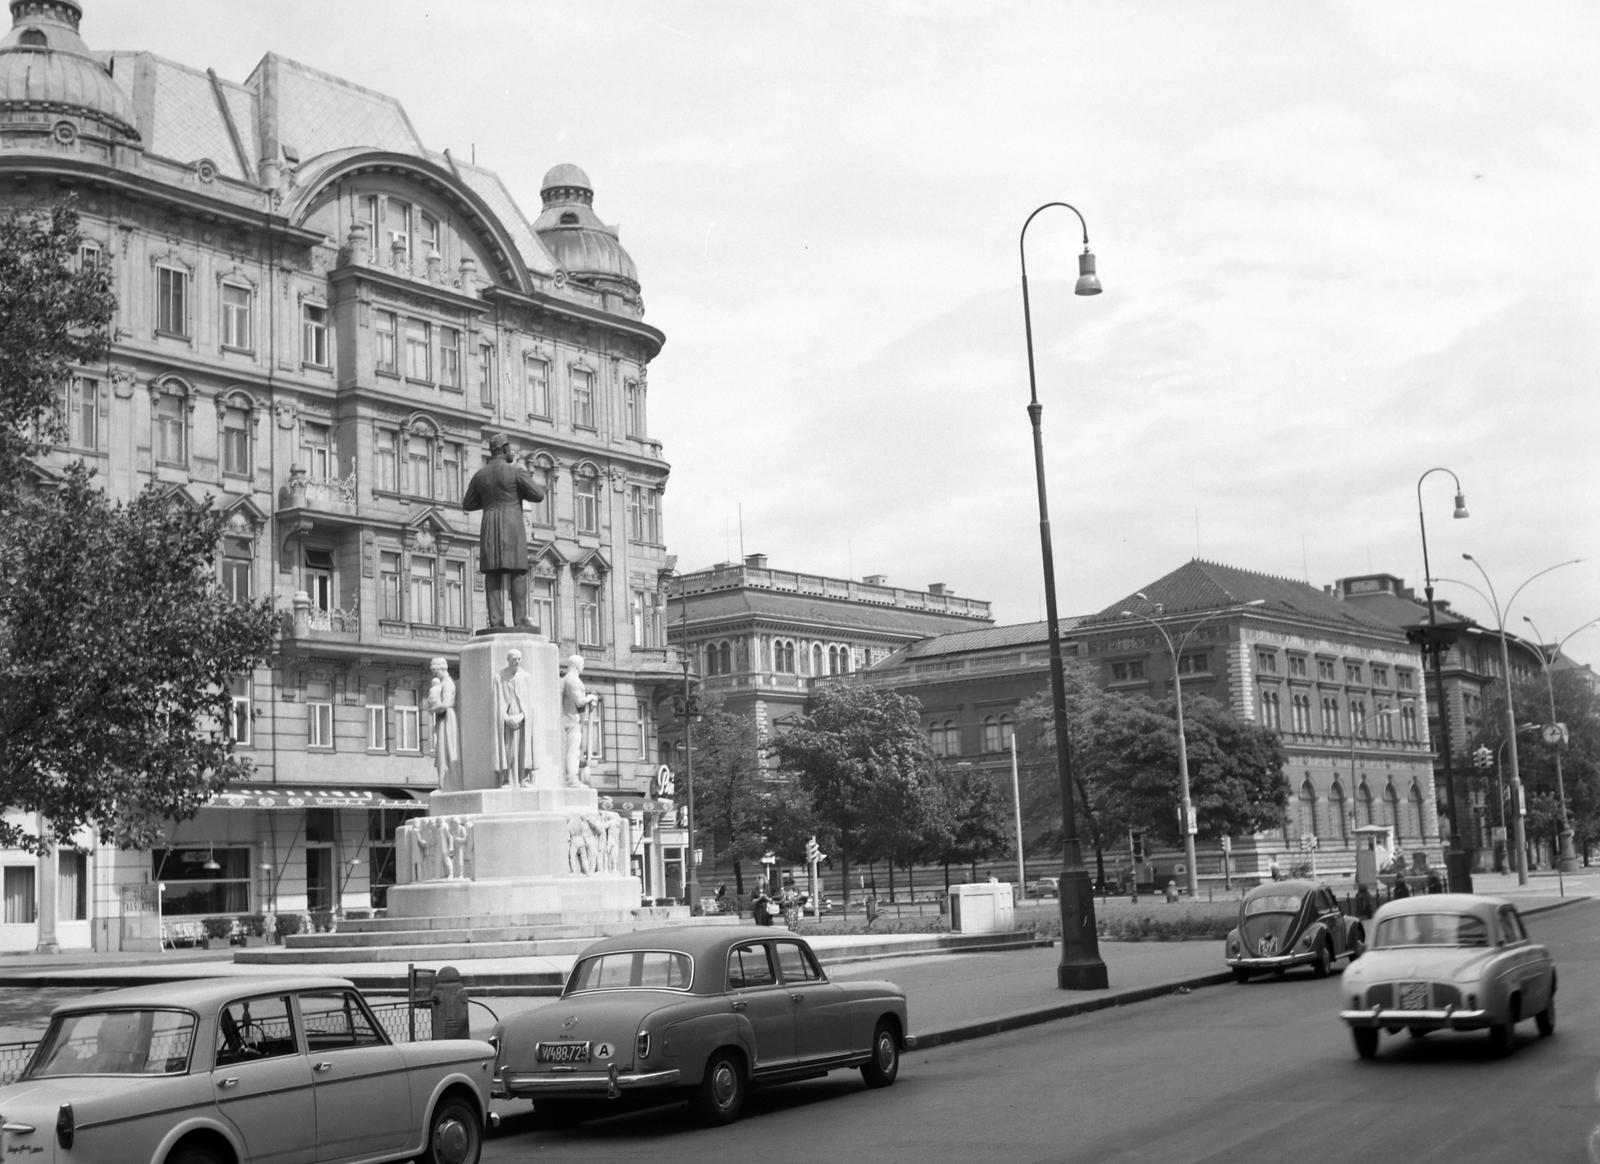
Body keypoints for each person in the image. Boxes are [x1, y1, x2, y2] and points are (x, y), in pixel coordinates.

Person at [461, 433, 545, 629]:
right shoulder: (515, 472)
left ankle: (496, 622)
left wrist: (489, 501)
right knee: (518, 572)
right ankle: (521, 619)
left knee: (493, 573)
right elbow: (538, 494)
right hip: (512, 524)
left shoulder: (480, 475)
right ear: (505, 449)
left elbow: (468, 503)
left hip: (489, 523)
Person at [494, 648, 536, 786]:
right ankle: (507, 779)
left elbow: (530, 702)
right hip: (506, 719)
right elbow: (498, 701)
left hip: (522, 719)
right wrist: (506, 718)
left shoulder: (526, 677)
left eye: (519, 659)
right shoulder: (500, 677)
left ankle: (524, 778)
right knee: (508, 750)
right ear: (508, 660)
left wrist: (521, 716)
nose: (516, 661)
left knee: (523, 749)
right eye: (513, 659)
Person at [561, 654, 599, 787]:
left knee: (574, 751)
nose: (583, 666)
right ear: (577, 665)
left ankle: (572, 778)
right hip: (572, 721)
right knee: (573, 752)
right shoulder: (572, 680)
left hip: (571, 720)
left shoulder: (568, 679)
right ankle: (572, 779)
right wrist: (591, 697)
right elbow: (579, 701)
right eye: (582, 664)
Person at [425, 657, 461, 790]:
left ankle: (447, 784)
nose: (434, 675)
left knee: (446, 750)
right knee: (442, 751)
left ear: (442, 668)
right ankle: (444, 784)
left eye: (435, 671)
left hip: (447, 718)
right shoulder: (443, 683)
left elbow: (445, 704)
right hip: (443, 717)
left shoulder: (447, 684)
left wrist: (431, 709)